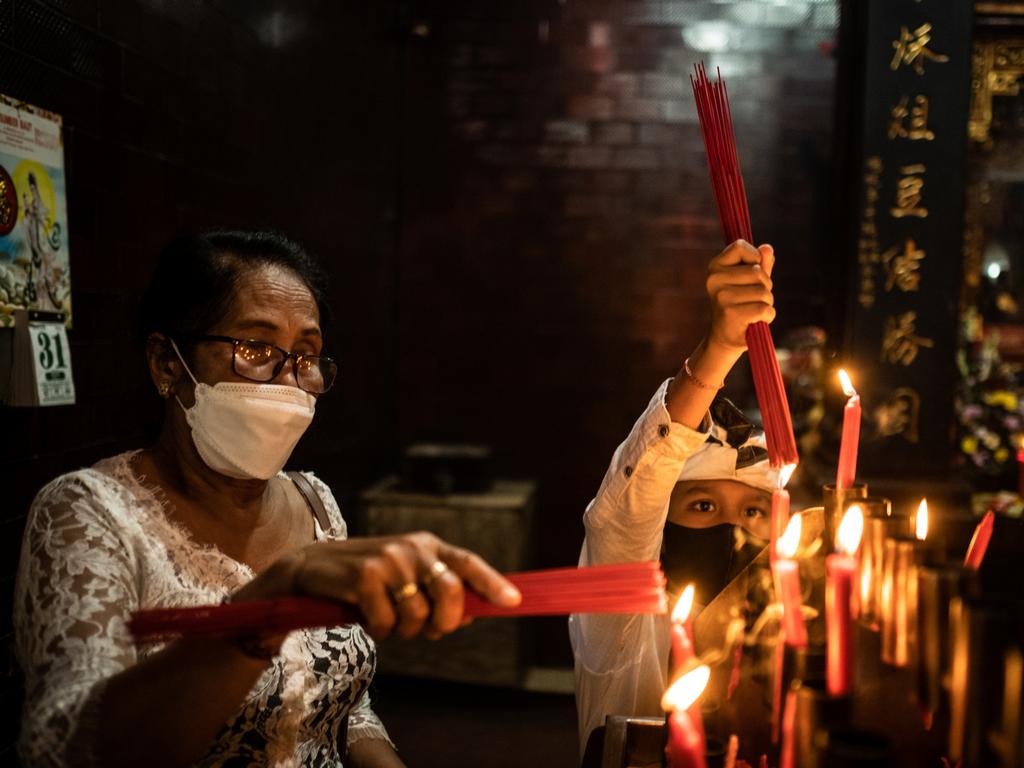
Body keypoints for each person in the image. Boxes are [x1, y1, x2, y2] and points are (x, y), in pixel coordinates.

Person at [14, 230, 521, 768]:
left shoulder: (316, 502)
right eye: (254, 349)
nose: (287, 383)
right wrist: (270, 601)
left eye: (307, 355)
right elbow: (64, 752)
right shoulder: (88, 516)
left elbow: (344, 704)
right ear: (166, 363)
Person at [570, 239, 780, 756]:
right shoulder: (625, 625)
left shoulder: (791, 642)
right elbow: (626, 504)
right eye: (703, 506)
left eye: (754, 512)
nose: (733, 530)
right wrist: (720, 349)